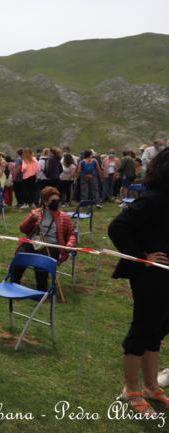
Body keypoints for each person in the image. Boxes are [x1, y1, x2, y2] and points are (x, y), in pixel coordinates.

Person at [108, 148, 169, 415]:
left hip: (165, 274)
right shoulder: (154, 199)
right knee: (143, 328)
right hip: (150, 275)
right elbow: (117, 227)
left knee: (157, 330)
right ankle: (131, 390)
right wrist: (142, 257)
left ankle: (151, 386)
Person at [11, 187, 76, 291]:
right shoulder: (35, 213)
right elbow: (23, 229)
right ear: (45, 202)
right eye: (53, 201)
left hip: (53, 246)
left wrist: (70, 244)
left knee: (41, 261)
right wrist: (31, 220)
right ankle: (13, 284)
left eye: (58, 201)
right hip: (34, 243)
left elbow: (72, 234)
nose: (56, 203)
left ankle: (41, 291)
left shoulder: (64, 217)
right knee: (21, 254)